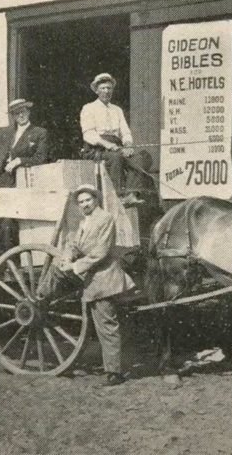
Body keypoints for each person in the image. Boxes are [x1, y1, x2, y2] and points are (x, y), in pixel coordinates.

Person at [65, 184, 136, 386]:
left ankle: (114, 373)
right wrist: (68, 256)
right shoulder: (84, 222)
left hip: (105, 279)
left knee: (107, 326)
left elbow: (101, 252)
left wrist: (76, 266)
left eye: (88, 200)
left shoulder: (104, 218)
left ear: (96, 200)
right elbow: (75, 245)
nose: (85, 204)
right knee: (104, 325)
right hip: (94, 280)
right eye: (81, 202)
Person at [79, 72, 151, 207]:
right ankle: (118, 196)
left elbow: (125, 131)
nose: (106, 91)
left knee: (141, 158)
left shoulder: (117, 110)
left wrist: (128, 145)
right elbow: (88, 134)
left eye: (109, 88)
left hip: (116, 147)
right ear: (96, 91)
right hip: (96, 149)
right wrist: (107, 144)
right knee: (116, 157)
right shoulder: (88, 108)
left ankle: (130, 194)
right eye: (103, 88)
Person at [0, 98, 51, 251]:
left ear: (28, 112)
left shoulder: (39, 133)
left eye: (23, 111)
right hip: (0, 181)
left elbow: (41, 158)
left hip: (19, 182)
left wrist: (20, 160)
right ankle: (2, 260)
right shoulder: (6, 134)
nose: (21, 115)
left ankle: (13, 259)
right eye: (17, 113)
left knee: (9, 222)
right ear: (13, 116)